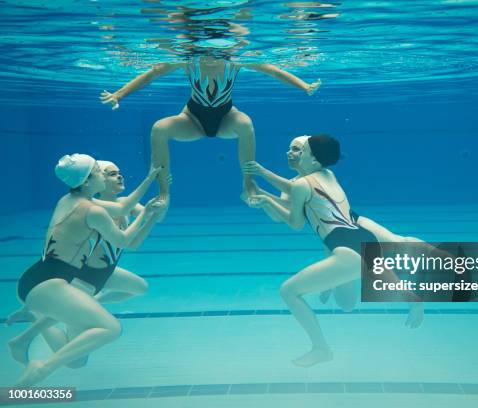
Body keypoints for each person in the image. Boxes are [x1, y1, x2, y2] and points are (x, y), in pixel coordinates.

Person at [242, 135, 430, 367]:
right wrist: (263, 198)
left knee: (289, 291)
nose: (291, 153)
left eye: (299, 149)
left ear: (313, 157)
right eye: (290, 148)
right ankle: (415, 298)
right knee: (347, 304)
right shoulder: (326, 174)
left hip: (346, 247)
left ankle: (321, 349)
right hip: (357, 239)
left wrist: (263, 179)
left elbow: (295, 221)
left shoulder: (300, 184)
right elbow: (289, 203)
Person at [8, 154, 165, 386]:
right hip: (52, 282)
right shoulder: (94, 211)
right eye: (100, 172)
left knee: (84, 351)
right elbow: (123, 241)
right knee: (110, 328)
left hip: (36, 277)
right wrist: (145, 213)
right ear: (88, 180)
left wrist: (151, 179)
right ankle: (42, 368)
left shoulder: (69, 199)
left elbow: (123, 205)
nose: (105, 174)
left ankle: (29, 333)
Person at [100, 54, 321, 202]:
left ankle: (249, 184)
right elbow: (153, 73)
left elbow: (273, 71)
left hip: (227, 117)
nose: (212, 56)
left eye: (218, 50)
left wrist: (303, 86)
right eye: (207, 50)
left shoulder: (236, 60)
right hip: (192, 119)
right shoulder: (188, 60)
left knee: (245, 124)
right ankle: (164, 191)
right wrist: (119, 94)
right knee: (159, 128)